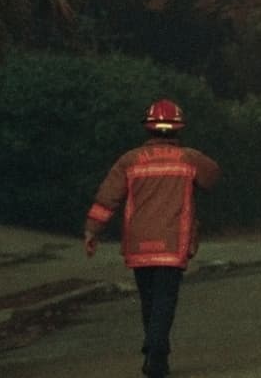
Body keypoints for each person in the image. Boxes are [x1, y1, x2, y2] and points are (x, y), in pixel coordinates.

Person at [84, 99, 220, 378]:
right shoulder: (189, 159)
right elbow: (213, 177)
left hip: (139, 244)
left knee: (148, 299)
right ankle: (156, 351)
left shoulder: (129, 160)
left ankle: (154, 349)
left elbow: (107, 198)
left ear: (147, 129)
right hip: (172, 243)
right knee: (165, 300)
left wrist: (91, 230)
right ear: (179, 129)